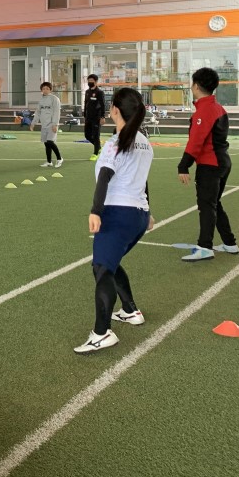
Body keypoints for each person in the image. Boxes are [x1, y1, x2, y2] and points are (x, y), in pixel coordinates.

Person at [75, 87, 154, 354]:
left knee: (101, 268)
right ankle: (130, 310)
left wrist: (95, 211)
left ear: (115, 110)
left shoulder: (115, 142)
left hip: (118, 214)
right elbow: (142, 181)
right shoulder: (144, 141)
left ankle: (102, 333)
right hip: (138, 216)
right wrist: (149, 211)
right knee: (110, 263)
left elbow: (104, 177)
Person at [177, 67, 237, 262]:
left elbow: (196, 141)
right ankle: (230, 243)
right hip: (222, 162)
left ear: (196, 86)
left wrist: (183, 166)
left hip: (211, 164)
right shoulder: (218, 108)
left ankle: (205, 247)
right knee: (214, 203)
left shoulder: (205, 110)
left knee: (206, 206)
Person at [31, 81, 63, 168]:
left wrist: (55, 124)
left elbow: (57, 112)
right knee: (46, 143)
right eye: (43, 88)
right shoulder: (41, 100)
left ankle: (59, 158)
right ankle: (49, 162)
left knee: (50, 141)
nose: (45, 90)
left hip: (52, 124)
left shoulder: (55, 99)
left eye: (47, 89)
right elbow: (38, 113)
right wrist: (33, 123)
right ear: (41, 90)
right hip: (44, 125)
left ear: (50, 90)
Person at [83, 75, 105, 160]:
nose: (90, 82)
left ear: (96, 81)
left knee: (96, 136)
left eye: (91, 80)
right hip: (88, 117)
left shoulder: (99, 92)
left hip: (96, 117)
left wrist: (102, 116)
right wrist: (85, 115)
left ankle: (95, 153)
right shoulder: (87, 92)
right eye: (89, 80)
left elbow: (103, 105)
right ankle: (99, 147)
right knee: (87, 135)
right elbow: (86, 103)